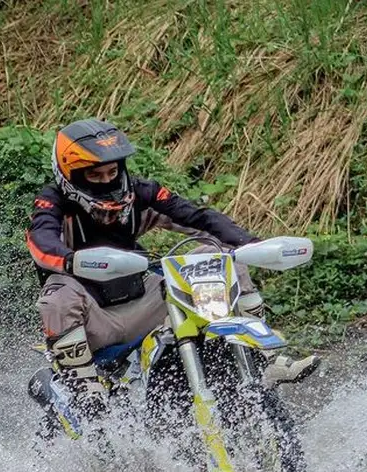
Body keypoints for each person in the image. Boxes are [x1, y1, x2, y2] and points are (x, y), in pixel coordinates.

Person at [26, 118, 318, 413]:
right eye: (96, 175)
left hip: (146, 301)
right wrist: (69, 259)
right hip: (95, 319)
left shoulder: (141, 193)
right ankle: (85, 389)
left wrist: (249, 244)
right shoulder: (52, 203)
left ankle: (261, 357)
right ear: (71, 176)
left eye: (113, 172)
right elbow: (41, 242)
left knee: (218, 257)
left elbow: (198, 218)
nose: (107, 182)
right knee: (58, 293)